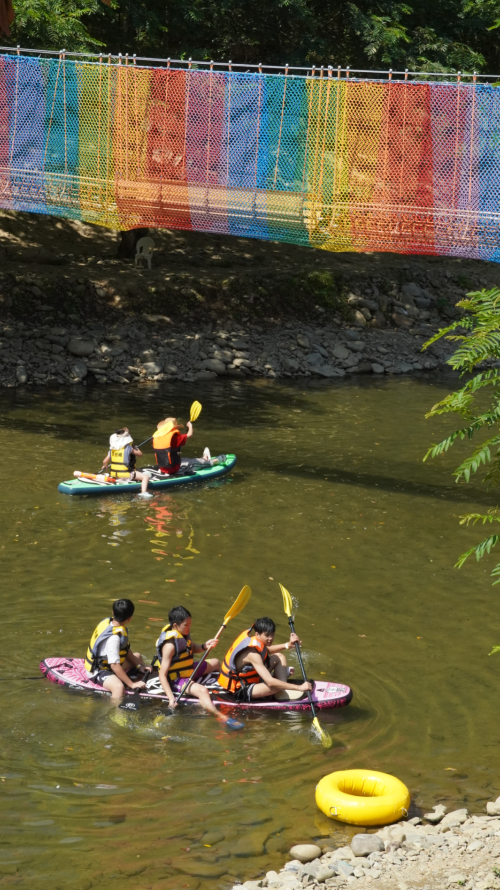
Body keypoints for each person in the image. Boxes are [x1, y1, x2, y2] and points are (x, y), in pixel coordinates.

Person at [152, 605, 241, 728]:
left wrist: (205, 645)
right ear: (175, 626)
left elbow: (193, 648)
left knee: (215, 662)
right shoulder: (170, 646)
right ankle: (221, 717)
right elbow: (162, 674)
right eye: (186, 625)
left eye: (190, 624)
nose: (189, 628)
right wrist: (171, 698)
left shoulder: (183, 634)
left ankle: (224, 688)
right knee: (202, 691)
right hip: (177, 679)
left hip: (189, 670)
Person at [218, 617, 313, 703]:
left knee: (279, 656)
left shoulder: (256, 641)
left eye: (272, 635)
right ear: (257, 634)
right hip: (240, 689)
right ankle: (280, 686)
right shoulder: (252, 654)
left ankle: (282, 690)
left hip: (252, 677)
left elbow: (266, 650)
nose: (270, 638)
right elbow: (270, 682)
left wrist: (287, 645)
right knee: (274, 685)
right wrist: (299, 687)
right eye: (267, 635)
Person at [84, 598, 151, 702]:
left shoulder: (112, 624)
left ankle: (133, 679)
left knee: (137, 656)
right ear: (130, 618)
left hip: (108, 664)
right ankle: (116, 714)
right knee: (119, 688)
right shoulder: (114, 638)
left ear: (113, 613)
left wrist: (139, 666)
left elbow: (125, 650)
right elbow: (114, 665)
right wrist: (132, 684)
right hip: (99, 671)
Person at [75, 427, 152, 498]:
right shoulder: (128, 447)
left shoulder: (112, 449)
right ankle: (143, 493)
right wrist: (135, 448)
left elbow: (104, 461)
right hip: (126, 475)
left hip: (115, 474)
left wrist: (105, 466)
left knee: (134, 472)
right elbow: (140, 454)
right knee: (145, 477)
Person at [151, 417, 224, 475]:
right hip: (173, 469)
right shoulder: (175, 438)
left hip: (162, 467)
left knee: (186, 459)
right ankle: (213, 461)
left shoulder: (157, 438)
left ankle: (203, 458)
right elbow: (189, 434)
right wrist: (190, 426)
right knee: (193, 463)